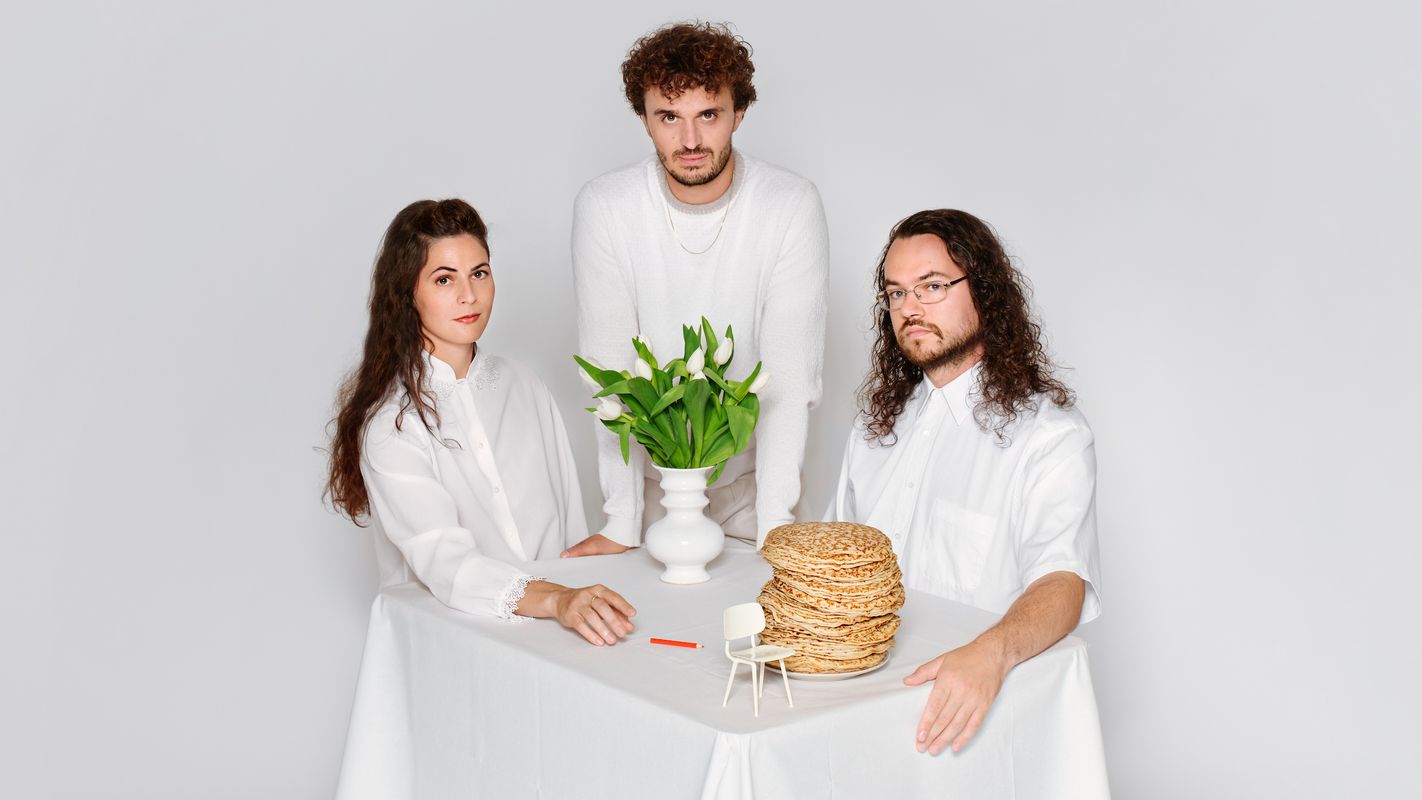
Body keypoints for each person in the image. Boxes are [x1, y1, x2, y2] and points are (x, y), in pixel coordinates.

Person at [831, 209, 1102, 754]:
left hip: (971, 721)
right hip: (854, 705)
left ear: (984, 290)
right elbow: (837, 557)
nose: (910, 308)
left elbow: (1063, 584)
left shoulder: (1049, 436)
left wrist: (990, 654)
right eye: (897, 293)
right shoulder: (875, 426)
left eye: (931, 286)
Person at [565, 21, 830, 556]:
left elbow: (788, 380)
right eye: (669, 117)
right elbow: (609, 373)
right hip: (651, 502)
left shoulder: (789, 204)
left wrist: (776, 526)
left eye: (708, 115)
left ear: (739, 113)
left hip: (756, 500)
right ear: (644, 120)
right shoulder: (606, 206)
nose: (689, 141)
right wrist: (621, 521)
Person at [326, 199, 636, 647]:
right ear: (407, 292)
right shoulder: (392, 423)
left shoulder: (524, 385)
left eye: (479, 273)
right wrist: (557, 599)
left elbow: (568, 521)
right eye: (444, 279)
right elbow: (444, 561)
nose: (468, 295)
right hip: (456, 641)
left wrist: (580, 598)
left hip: (559, 636)